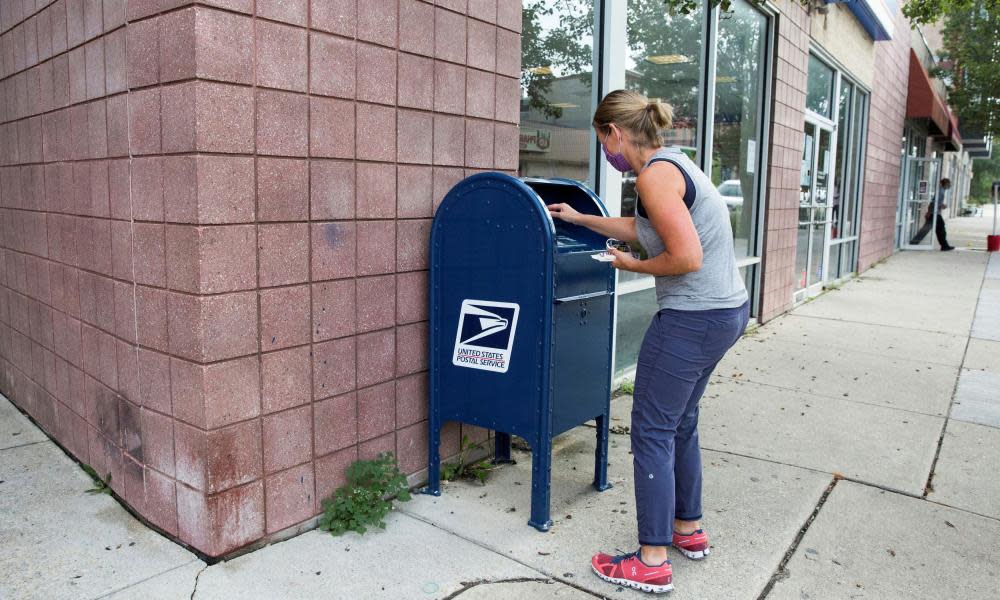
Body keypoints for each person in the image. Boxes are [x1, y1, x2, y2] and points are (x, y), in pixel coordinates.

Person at [547, 90, 749, 595]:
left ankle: (652, 559)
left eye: (602, 142)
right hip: (724, 311)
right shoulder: (675, 163)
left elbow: (685, 257)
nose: (606, 154)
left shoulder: (654, 176)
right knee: (680, 422)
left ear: (614, 133)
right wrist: (578, 220)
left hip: (692, 318)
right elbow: (644, 228)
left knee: (651, 429)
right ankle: (688, 530)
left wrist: (629, 265)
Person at [909, 178, 955, 250]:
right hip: (934, 213)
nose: (950, 185)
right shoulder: (941, 192)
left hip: (935, 213)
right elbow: (933, 203)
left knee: (935, 229)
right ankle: (944, 245)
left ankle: (913, 243)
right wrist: (929, 212)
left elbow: (936, 203)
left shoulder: (941, 191)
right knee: (937, 229)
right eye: (949, 184)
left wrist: (941, 205)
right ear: (946, 184)